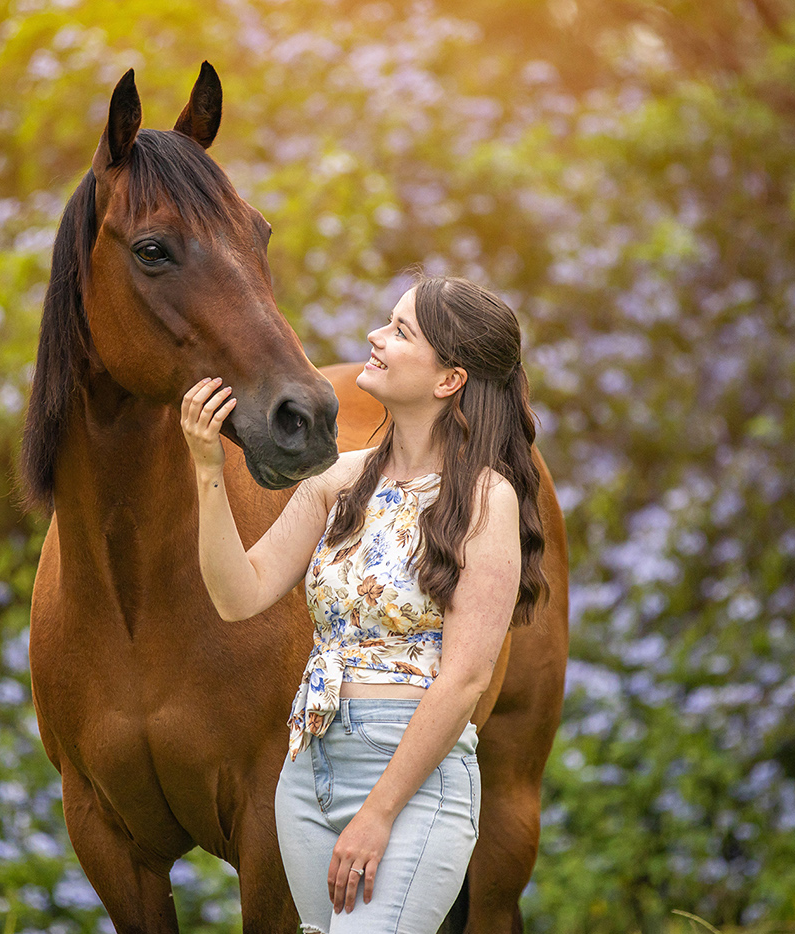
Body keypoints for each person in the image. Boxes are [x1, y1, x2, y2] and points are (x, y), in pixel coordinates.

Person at [180, 275, 548, 933]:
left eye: (401, 332)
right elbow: (239, 595)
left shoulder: (486, 502)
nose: (375, 339)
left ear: (447, 380)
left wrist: (378, 811)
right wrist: (207, 469)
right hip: (309, 774)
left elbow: (464, 680)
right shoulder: (337, 482)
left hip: (412, 782)